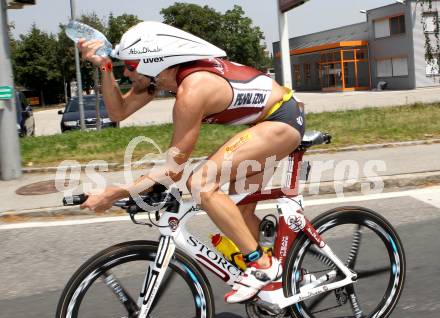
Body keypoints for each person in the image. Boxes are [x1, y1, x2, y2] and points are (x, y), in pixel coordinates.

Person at [78, 21, 305, 303]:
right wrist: (104, 67)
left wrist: (118, 191)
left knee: (201, 183)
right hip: (262, 123)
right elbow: (118, 112)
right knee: (237, 212)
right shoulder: (161, 79)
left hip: (280, 119)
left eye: (131, 65)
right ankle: (287, 272)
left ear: (154, 62)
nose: (127, 72)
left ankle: (263, 266)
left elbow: (174, 171)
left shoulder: (192, 91)